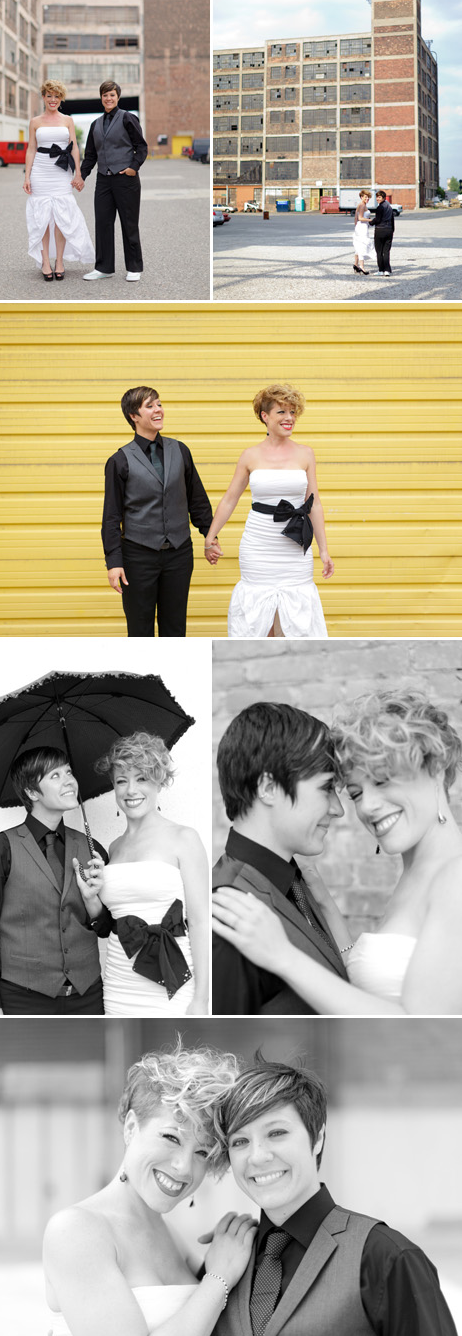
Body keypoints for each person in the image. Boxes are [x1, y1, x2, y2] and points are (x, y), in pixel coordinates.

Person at [212, 688, 462, 1017]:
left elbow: (423, 1026)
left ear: (438, 768)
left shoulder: (454, 877)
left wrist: (284, 956)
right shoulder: (414, 874)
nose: (364, 808)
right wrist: (328, 911)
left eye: (384, 780)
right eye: (356, 792)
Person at [208, 1050, 460, 1336]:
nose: (258, 1156)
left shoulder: (387, 1257)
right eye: (240, 1142)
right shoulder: (221, 1264)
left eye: (276, 1133)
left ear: (317, 1139)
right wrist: (215, 1276)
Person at [43, 1040, 257, 1336]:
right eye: (171, 1137)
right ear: (131, 1127)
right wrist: (218, 1278)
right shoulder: (75, 1230)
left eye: (202, 1152)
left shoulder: (173, 1235)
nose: (184, 1167)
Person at [212, 701, 348, 1016]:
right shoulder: (230, 913)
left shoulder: (296, 883)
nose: (338, 808)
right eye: (326, 788)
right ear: (269, 787)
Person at [0, 748, 111, 1016]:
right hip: (22, 999)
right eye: (55, 775)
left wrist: (93, 903)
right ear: (32, 792)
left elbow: (105, 929)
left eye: (68, 771)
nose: (69, 780)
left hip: (88, 996)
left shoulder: (92, 849)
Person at [72, 732, 209, 1017]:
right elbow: (112, 920)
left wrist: (202, 999)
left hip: (174, 981)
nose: (130, 790)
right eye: (122, 781)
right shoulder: (113, 847)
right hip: (120, 982)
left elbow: (199, 922)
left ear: (159, 780)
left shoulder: (185, 838)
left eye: (142, 778)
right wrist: (91, 898)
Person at [205, 382, 334, 638]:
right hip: (258, 545)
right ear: (264, 416)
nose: (289, 418)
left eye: (293, 412)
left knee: (294, 620)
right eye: (281, 412)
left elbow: (314, 503)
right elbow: (230, 499)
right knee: (259, 620)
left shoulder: (306, 454)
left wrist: (324, 550)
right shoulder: (250, 455)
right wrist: (210, 537)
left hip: (295, 546)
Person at [102, 385, 213, 637]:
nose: (158, 410)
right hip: (137, 557)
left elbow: (197, 499)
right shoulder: (119, 461)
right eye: (149, 406)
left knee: (175, 628)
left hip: (179, 554)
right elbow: (111, 516)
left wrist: (210, 535)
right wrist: (114, 562)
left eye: (159, 404)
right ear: (134, 416)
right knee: (139, 630)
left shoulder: (180, 450)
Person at [24, 79, 94, 281]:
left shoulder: (68, 120)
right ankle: (45, 261)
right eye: (49, 96)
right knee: (43, 219)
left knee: (62, 217)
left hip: (62, 171)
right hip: (41, 171)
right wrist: (27, 176)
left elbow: (73, 147)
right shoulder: (35, 122)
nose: (52, 100)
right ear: (44, 97)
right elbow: (31, 149)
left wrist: (78, 173)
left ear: (61, 99)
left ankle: (60, 261)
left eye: (57, 96)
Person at [80, 80, 148, 283]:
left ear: (118, 97)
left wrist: (132, 168)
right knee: (102, 224)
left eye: (112, 95)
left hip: (125, 180)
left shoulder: (128, 118)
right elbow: (90, 155)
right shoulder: (95, 124)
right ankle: (104, 267)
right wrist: (81, 176)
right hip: (103, 180)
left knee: (129, 224)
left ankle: (134, 267)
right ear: (101, 98)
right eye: (105, 95)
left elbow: (141, 146)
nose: (108, 98)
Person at [374, 188, 395, 275]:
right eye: (377, 197)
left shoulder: (380, 207)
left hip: (380, 230)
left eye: (379, 197)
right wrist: (392, 230)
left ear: (383, 198)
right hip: (389, 230)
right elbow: (392, 220)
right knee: (386, 251)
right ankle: (387, 270)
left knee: (379, 251)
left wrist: (370, 222)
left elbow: (378, 219)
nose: (377, 199)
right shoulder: (389, 207)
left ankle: (381, 270)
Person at [352, 187, 371, 278]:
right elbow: (360, 218)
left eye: (368, 198)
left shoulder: (360, 205)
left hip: (360, 227)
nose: (367, 199)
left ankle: (356, 264)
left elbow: (356, 219)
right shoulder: (362, 205)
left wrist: (356, 227)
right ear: (361, 197)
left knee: (358, 246)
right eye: (365, 197)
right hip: (362, 227)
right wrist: (370, 220)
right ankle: (362, 267)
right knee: (362, 246)